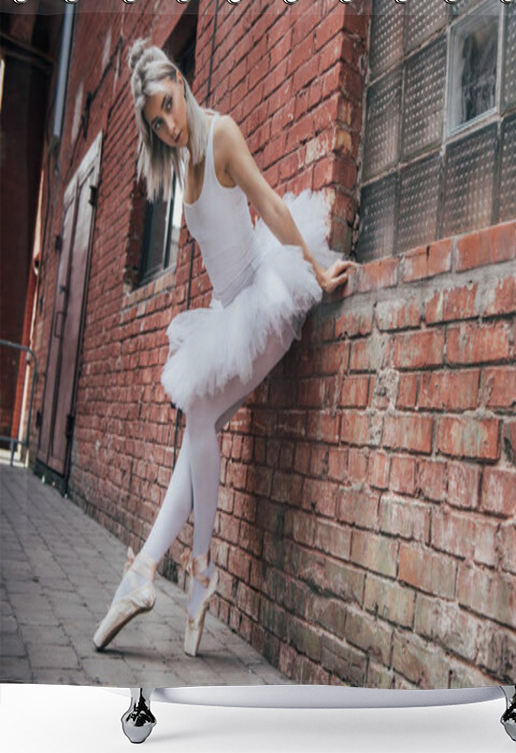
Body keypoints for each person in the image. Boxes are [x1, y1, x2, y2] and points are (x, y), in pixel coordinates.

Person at [93, 39, 356, 657]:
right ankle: (157, 573)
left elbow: (267, 204)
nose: (167, 123)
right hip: (227, 312)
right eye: (155, 121)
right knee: (197, 430)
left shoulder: (222, 136)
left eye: (167, 107)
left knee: (200, 417)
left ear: (181, 84)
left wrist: (316, 273)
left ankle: (184, 571)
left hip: (262, 304)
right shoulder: (182, 162)